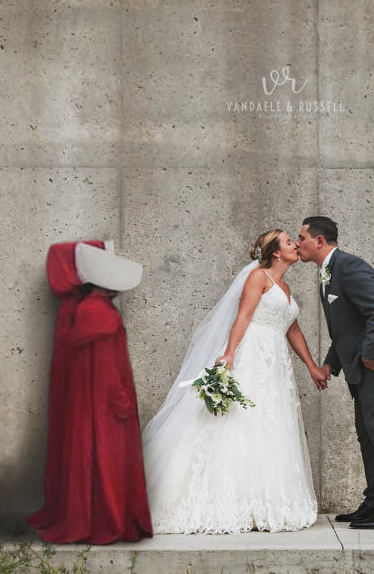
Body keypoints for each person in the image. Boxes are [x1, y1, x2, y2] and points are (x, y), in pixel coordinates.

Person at [142, 229, 326, 534]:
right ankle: (233, 500)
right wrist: (229, 354)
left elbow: (291, 329)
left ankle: (267, 499)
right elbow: (242, 317)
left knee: (272, 424)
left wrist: (312, 367)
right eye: (288, 241)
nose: (295, 244)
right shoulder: (259, 278)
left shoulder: (285, 285)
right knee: (243, 422)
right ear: (276, 252)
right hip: (252, 354)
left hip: (276, 360)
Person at [296, 216, 374, 530]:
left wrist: (369, 356)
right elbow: (346, 329)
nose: (298, 244)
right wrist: (330, 364)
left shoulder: (350, 267)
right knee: (369, 437)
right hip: (365, 368)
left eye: (301, 238)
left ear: (319, 241)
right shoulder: (329, 274)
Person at [27, 241, 152, 544]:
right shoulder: (101, 313)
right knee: (105, 457)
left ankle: (92, 514)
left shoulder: (84, 310)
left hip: (91, 405)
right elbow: (108, 370)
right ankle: (106, 518)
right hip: (106, 407)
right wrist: (120, 401)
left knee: (89, 454)